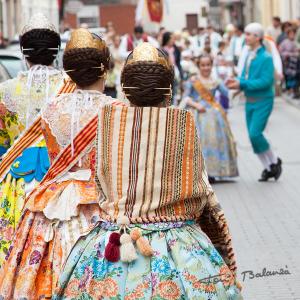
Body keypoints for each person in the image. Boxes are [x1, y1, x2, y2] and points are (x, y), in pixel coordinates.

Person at [47, 42, 242, 299]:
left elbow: (102, 186)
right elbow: (199, 190)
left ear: (126, 90)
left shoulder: (108, 121)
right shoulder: (183, 122)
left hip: (117, 238)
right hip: (178, 244)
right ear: (168, 91)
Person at [0, 28, 123, 299]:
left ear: (69, 72)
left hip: (55, 200)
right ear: (104, 71)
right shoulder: (117, 110)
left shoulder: (52, 110)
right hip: (102, 201)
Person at [0, 13, 70, 265]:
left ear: (23, 51)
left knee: (14, 253)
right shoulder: (70, 87)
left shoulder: (6, 91)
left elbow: (2, 141)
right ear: (56, 50)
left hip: (18, 178)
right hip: (62, 180)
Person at [226, 23, 282, 182]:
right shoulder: (250, 54)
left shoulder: (266, 57)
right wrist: (235, 81)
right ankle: (268, 168)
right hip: (250, 101)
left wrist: (241, 84)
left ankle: (275, 161)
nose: (246, 37)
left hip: (263, 100)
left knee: (255, 133)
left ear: (257, 37)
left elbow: (266, 81)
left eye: (249, 34)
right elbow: (245, 76)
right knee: (253, 137)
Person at [182, 54, 238, 182]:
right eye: (203, 65)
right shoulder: (193, 81)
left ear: (212, 66)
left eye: (208, 65)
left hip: (214, 115)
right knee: (200, 143)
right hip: (198, 114)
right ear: (198, 66)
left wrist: (241, 87)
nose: (206, 67)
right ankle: (199, 172)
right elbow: (186, 98)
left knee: (215, 142)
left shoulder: (216, 81)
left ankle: (213, 171)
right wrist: (196, 105)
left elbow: (228, 94)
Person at [279, 27, 299, 97]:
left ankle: (294, 89)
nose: (292, 35)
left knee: (294, 76)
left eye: (293, 34)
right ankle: (289, 89)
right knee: (289, 76)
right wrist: (290, 54)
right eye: (291, 34)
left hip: (295, 63)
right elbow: (281, 52)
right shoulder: (284, 43)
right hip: (287, 63)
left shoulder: (295, 42)